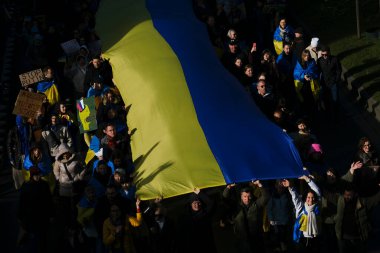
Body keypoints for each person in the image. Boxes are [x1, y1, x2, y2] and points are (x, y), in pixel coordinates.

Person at [222, 180, 269, 253]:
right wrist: (228, 187)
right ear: (241, 196)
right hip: (242, 239)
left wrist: (259, 184)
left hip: (256, 238)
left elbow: (265, 197)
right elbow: (225, 197)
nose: (247, 199)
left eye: (249, 196)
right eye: (244, 196)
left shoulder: (256, 204)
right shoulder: (236, 205)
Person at [17, 166, 54, 253]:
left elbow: (49, 200)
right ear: (31, 175)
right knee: (35, 239)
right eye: (35, 175)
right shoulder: (26, 186)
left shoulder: (44, 185)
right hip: (32, 216)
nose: (37, 176)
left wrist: (52, 214)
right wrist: (20, 216)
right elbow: (22, 203)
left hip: (42, 216)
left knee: (42, 239)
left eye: (38, 174)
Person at [282, 175, 322, 253]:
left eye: (312, 197)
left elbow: (317, 191)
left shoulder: (317, 208)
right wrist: (290, 187)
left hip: (315, 239)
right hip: (302, 239)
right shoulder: (301, 208)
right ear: (305, 198)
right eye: (308, 197)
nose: (311, 199)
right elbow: (295, 197)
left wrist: (307, 179)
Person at [177, 188, 217, 253]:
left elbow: (212, 203)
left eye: (198, 203)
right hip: (193, 248)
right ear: (191, 204)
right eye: (194, 203)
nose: (197, 205)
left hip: (207, 246)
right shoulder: (187, 218)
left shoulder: (205, 213)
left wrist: (200, 193)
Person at [317, 45, 342, 120]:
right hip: (324, 83)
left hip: (333, 82)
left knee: (335, 100)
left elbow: (338, 70)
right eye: (323, 54)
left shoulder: (335, 59)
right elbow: (318, 71)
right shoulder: (320, 61)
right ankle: (328, 114)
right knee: (325, 99)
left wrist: (336, 79)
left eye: (326, 54)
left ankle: (336, 115)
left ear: (329, 53)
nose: (324, 56)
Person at [293, 49, 321, 115]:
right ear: (302, 56)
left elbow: (316, 71)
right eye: (305, 56)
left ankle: (314, 111)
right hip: (303, 85)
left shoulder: (312, 62)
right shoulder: (299, 63)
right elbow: (296, 73)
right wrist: (303, 76)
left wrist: (311, 75)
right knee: (305, 99)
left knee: (313, 97)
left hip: (312, 83)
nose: (307, 57)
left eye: (308, 55)